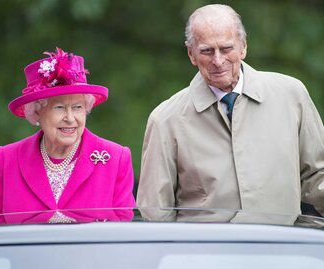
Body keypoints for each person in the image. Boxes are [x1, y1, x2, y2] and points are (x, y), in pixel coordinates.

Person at [137, 4, 324, 221]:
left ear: (243, 47)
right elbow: (156, 213)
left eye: (226, 49)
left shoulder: (292, 96)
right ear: (191, 54)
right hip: (204, 252)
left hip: (281, 249)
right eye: (207, 51)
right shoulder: (165, 119)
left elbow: (317, 176)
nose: (218, 61)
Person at [0, 48, 136, 224]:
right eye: (59, 107)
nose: (70, 118)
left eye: (77, 107)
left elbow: (122, 233)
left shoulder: (116, 159)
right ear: (37, 112)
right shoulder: (6, 159)